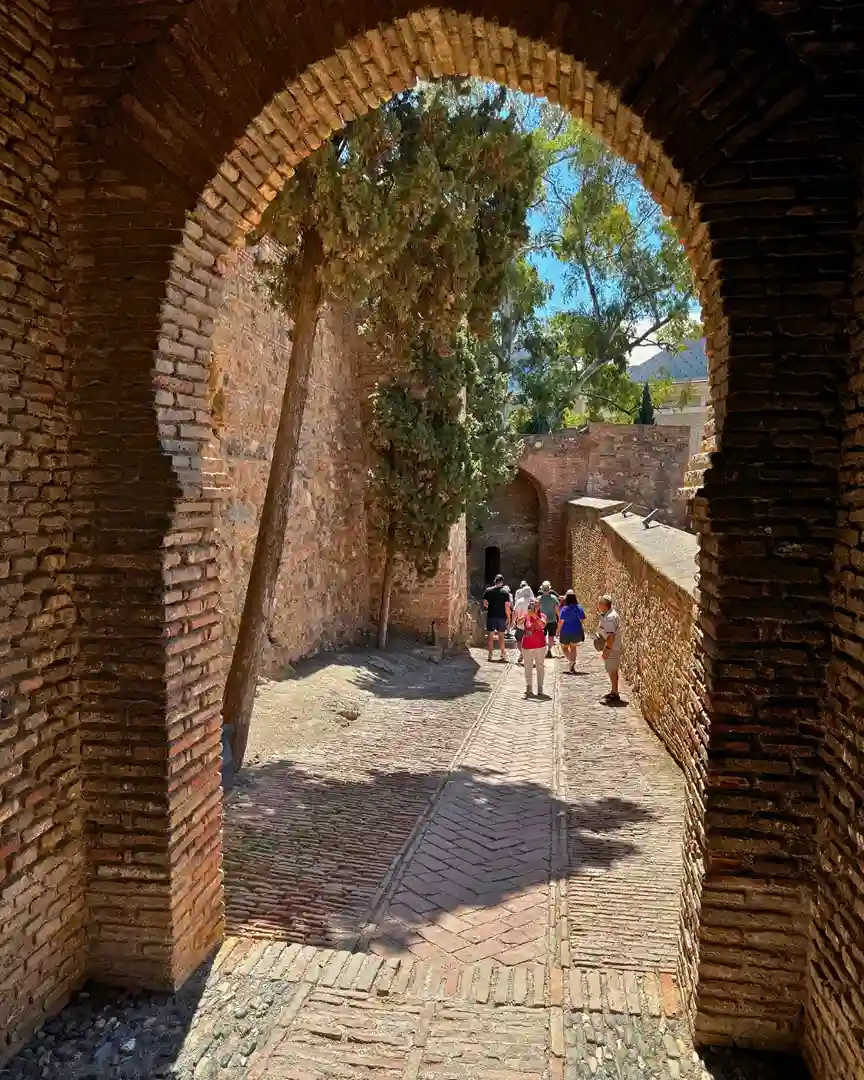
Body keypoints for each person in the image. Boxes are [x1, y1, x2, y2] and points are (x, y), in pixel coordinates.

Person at [597, 594, 623, 702]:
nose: (598, 605)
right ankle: (614, 691)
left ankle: (615, 693)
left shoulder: (610, 618)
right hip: (614, 647)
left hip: (612, 648)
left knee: (612, 670)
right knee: (613, 670)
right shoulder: (610, 615)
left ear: (604, 605)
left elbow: (611, 636)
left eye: (599, 603)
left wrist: (607, 649)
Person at [521, 598, 548, 697]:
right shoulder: (526, 616)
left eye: (536, 605)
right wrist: (520, 620)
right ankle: (529, 686)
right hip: (527, 646)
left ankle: (540, 687)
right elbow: (519, 624)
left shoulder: (542, 616)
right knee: (528, 666)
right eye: (533, 604)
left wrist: (535, 617)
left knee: (540, 666)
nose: (534, 606)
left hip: (540, 645)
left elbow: (542, 626)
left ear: (539, 606)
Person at [482, 573, 512, 662]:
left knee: (490, 636)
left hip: (491, 616)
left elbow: (484, 603)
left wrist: (491, 607)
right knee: (501, 636)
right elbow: (507, 607)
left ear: (495, 581)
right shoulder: (505, 592)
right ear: (502, 582)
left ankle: (490, 654)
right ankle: (502, 654)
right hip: (501, 617)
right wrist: (509, 618)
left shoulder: (488, 590)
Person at [558, 590, 586, 673]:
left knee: (564, 647)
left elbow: (561, 622)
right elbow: (582, 619)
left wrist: (557, 631)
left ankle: (571, 661)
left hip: (565, 632)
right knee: (573, 647)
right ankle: (572, 662)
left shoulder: (564, 609)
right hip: (576, 631)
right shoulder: (579, 608)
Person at [510, 581, 535, 664]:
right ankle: (527, 655)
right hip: (531, 625)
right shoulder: (534, 601)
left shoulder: (519, 601)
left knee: (519, 640)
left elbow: (515, 612)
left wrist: (513, 622)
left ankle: (522, 653)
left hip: (521, 624)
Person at [538, 581, 560, 658]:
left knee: (543, 636)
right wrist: (560, 619)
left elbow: (537, 610)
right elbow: (557, 610)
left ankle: (543, 650)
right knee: (551, 636)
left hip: (542, 621)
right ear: (549, 589)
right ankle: (549, 650)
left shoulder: (539, 599)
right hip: (552, 620)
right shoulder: (554, 599)